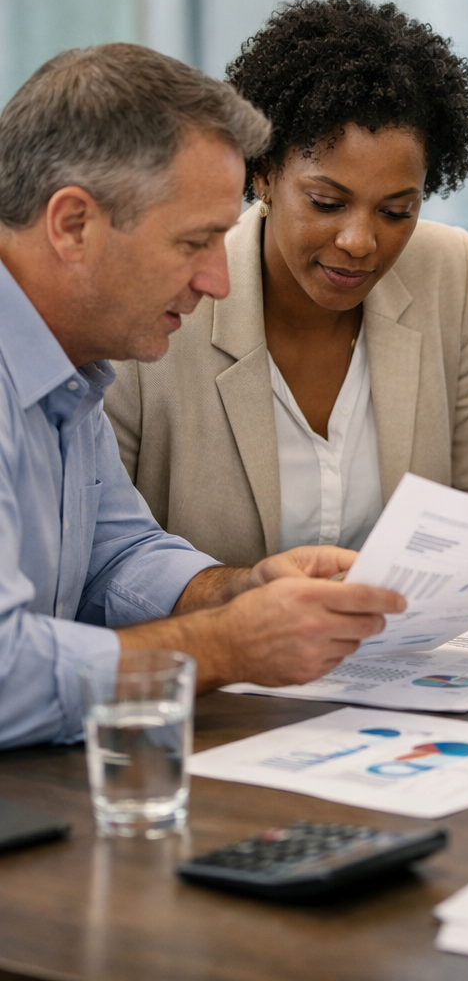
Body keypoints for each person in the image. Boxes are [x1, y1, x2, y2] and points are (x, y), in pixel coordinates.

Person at [0, 44, 405, 750]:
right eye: (195, 242)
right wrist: (225, 646)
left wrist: (243, 589)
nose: (217, 281)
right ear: (72, 224)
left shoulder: (71, 365)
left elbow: (114, 553)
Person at [104, 0, 468, 566]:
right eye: (327, 202)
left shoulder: (445, 270)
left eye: (396, 211)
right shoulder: (162, 305)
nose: (360, 241)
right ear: (262, 171)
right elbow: (104, 559)